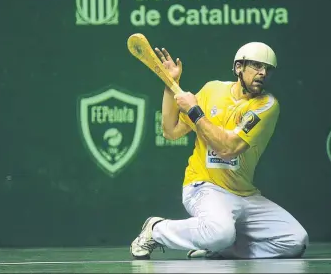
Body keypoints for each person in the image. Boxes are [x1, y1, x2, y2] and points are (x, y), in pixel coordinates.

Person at [130, 42, 309, 260]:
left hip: (245, 194)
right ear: (238, 68)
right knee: (220, 233)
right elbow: (171, 131)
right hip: (204, 186)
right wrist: (171, 84)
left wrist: (195, 111)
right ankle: (157, 230)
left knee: (295, 240)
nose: (262, 72)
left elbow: (228, 148)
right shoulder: (212, 90)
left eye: (267, 69)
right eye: (256, 65)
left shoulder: (267, 105)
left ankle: (222, 249)